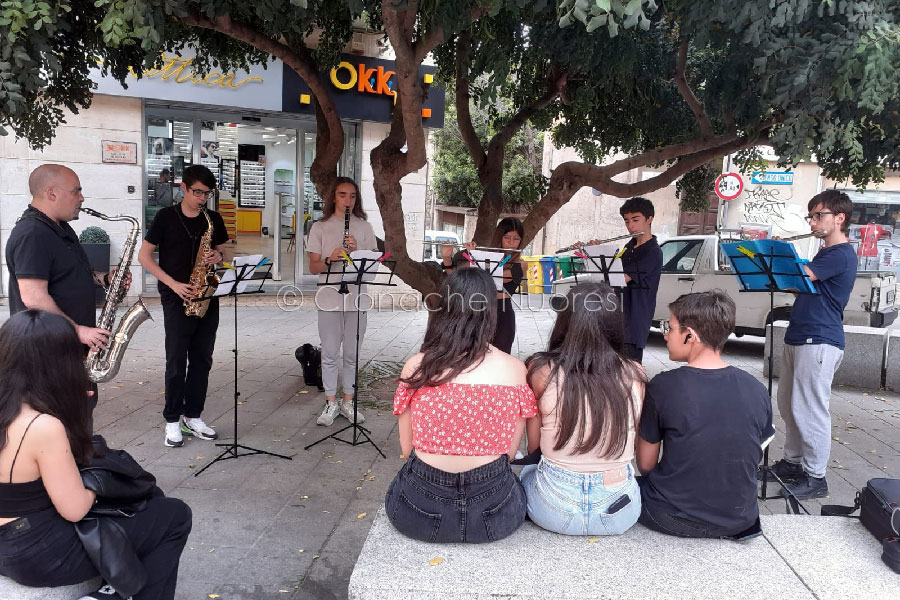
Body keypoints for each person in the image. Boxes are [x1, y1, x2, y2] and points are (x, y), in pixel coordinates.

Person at [0, 309, 192, 600]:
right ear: (59, 362)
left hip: (11, 540)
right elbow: (74, 508)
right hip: (33, 552)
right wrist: (99, 483)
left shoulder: (16, 411)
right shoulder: (42, 427)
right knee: (174, 515)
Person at [386, 268, 537, 543]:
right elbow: (510, 454)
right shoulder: (515, 370)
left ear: (443, 309)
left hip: (417, 512)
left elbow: (408, 449)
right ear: (490, 312)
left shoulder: (417, 367)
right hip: (495, 514)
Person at [636, 291, 774, 538]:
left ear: (690, 335)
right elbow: (751, 454)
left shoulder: (663, 386)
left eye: (669, 327)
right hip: (740, 519)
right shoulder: (756, 388)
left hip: (671, 516)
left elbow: (646, 465)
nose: (665, 334)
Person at [521, 281, 645, 536]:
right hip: (619, 512)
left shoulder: (541, 371)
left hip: (552, 508)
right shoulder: (635, 373)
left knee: (526, 472)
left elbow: (534, 448)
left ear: (565, 322)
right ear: (614, 325)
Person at [761, 190, 858, 500]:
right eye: (811, 216)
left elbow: (802, 274)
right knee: (789, 406)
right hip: (800, 335)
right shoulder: (823, 253)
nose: (814, 222)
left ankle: (815, 477)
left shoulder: (840, 253)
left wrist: (776, 253)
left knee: (811, 410)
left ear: (839, 218)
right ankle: (792, 464)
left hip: (819, 339)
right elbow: (797, 283)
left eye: (819, 216)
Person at [138, 164, 229, 448]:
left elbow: (228, 250)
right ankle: (171, 419)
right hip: (176, 295)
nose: (202, 198)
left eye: (207, 193)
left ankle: (194, 415)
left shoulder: (212, 218)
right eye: (197, 192)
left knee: (203, 359)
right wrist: (173, 284)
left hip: (205, 295)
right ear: (184, 188)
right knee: (176, 360)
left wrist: (219, 254)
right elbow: (144, 257)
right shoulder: (166, 217)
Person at [6, 164, 114, 353]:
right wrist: (77, 330)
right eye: (76, 192)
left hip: (67, 346)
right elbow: (33, 296)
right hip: (46, 352)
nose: (82, 198)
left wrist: (107, 279)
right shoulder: (32, 234)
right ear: (51, 193)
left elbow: (72, 274)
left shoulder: (61, 228)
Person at [306, 177, 377, 427]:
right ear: (333, 197)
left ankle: (348, 400)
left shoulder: (365, 228)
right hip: (329, 297)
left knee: (351, 353)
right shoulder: (320, 227)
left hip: (357, 298)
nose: (348, 200)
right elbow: (313, 267)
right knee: (329, 352)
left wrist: (357, 253)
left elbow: (373, 267)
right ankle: (330, 401)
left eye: (353, 196)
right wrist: (330, 257)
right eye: (342, 195)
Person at [441, 217, 527, 354]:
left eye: (516, 239)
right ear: (499, 238)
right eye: (507, 238)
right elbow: (456, 278)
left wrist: (475, 258)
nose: (511, 243)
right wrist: (446, 258)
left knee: (500, 357)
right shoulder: (483, 259)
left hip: (502, 314)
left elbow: (498, 278)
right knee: (472, 356)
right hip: (478, 312)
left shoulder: (521, 264)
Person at [609, 197, 663, 363]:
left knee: (628, 374)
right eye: (626, 221)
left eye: (635, 219)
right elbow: (608, 273)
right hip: (617, 317)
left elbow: (620, 278)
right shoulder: (628, 247)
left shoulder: (653, 252)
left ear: (649, 219)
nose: (630, 225)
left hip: (634, 321)